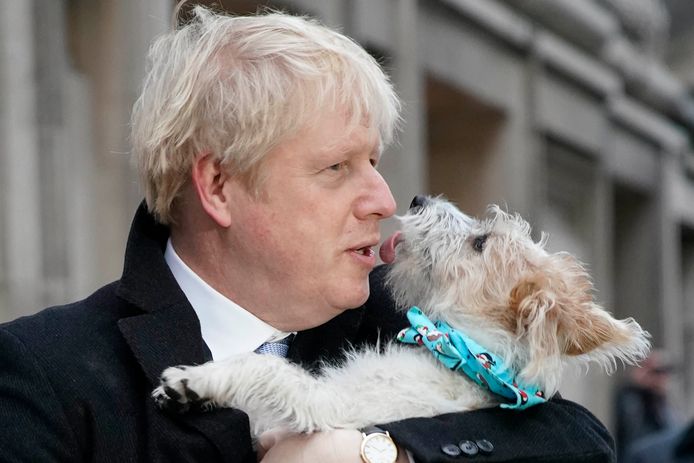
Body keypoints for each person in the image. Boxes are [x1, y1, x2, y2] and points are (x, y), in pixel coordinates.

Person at [0, 6, 616, 462]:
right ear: (218, 186)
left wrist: (378, 453)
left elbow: (578, 441)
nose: (382, 200)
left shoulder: (403, 318)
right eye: (336, 168)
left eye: (374, 162)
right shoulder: (42, 373)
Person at [614, 349, 678, 460]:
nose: (661, 378)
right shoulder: (631, 398)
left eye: (664, 373)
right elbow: (631, 430)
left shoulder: (663, 403)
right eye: (656, 372)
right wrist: (641, 387)